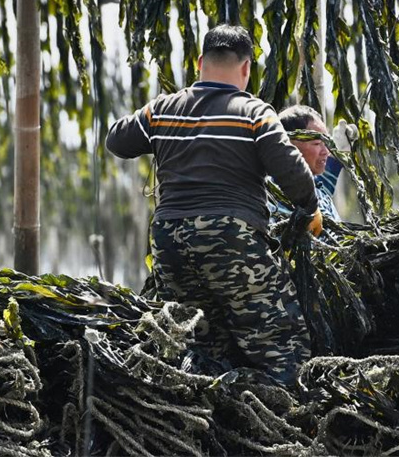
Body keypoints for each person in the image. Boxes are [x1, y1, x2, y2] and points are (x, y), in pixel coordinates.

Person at [105, 24, 321, 384]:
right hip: (231, 239)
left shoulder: (163, 110)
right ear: (247, 68)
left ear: (200, 61)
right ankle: (287, 424)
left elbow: (117, 141)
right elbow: (291, 170)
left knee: (201, 346)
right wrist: (309, 208)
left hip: (170, 243)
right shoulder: (254, 112)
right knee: (280, 344)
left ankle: (204, 425)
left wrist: (162, 121)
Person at [274, 105, 357, 222]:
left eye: (327, 142)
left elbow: (324, 183)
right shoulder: (277, 197)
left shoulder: (316, 188)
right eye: (317, 143)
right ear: (290, 146)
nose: (326, 151)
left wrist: (339, 151)